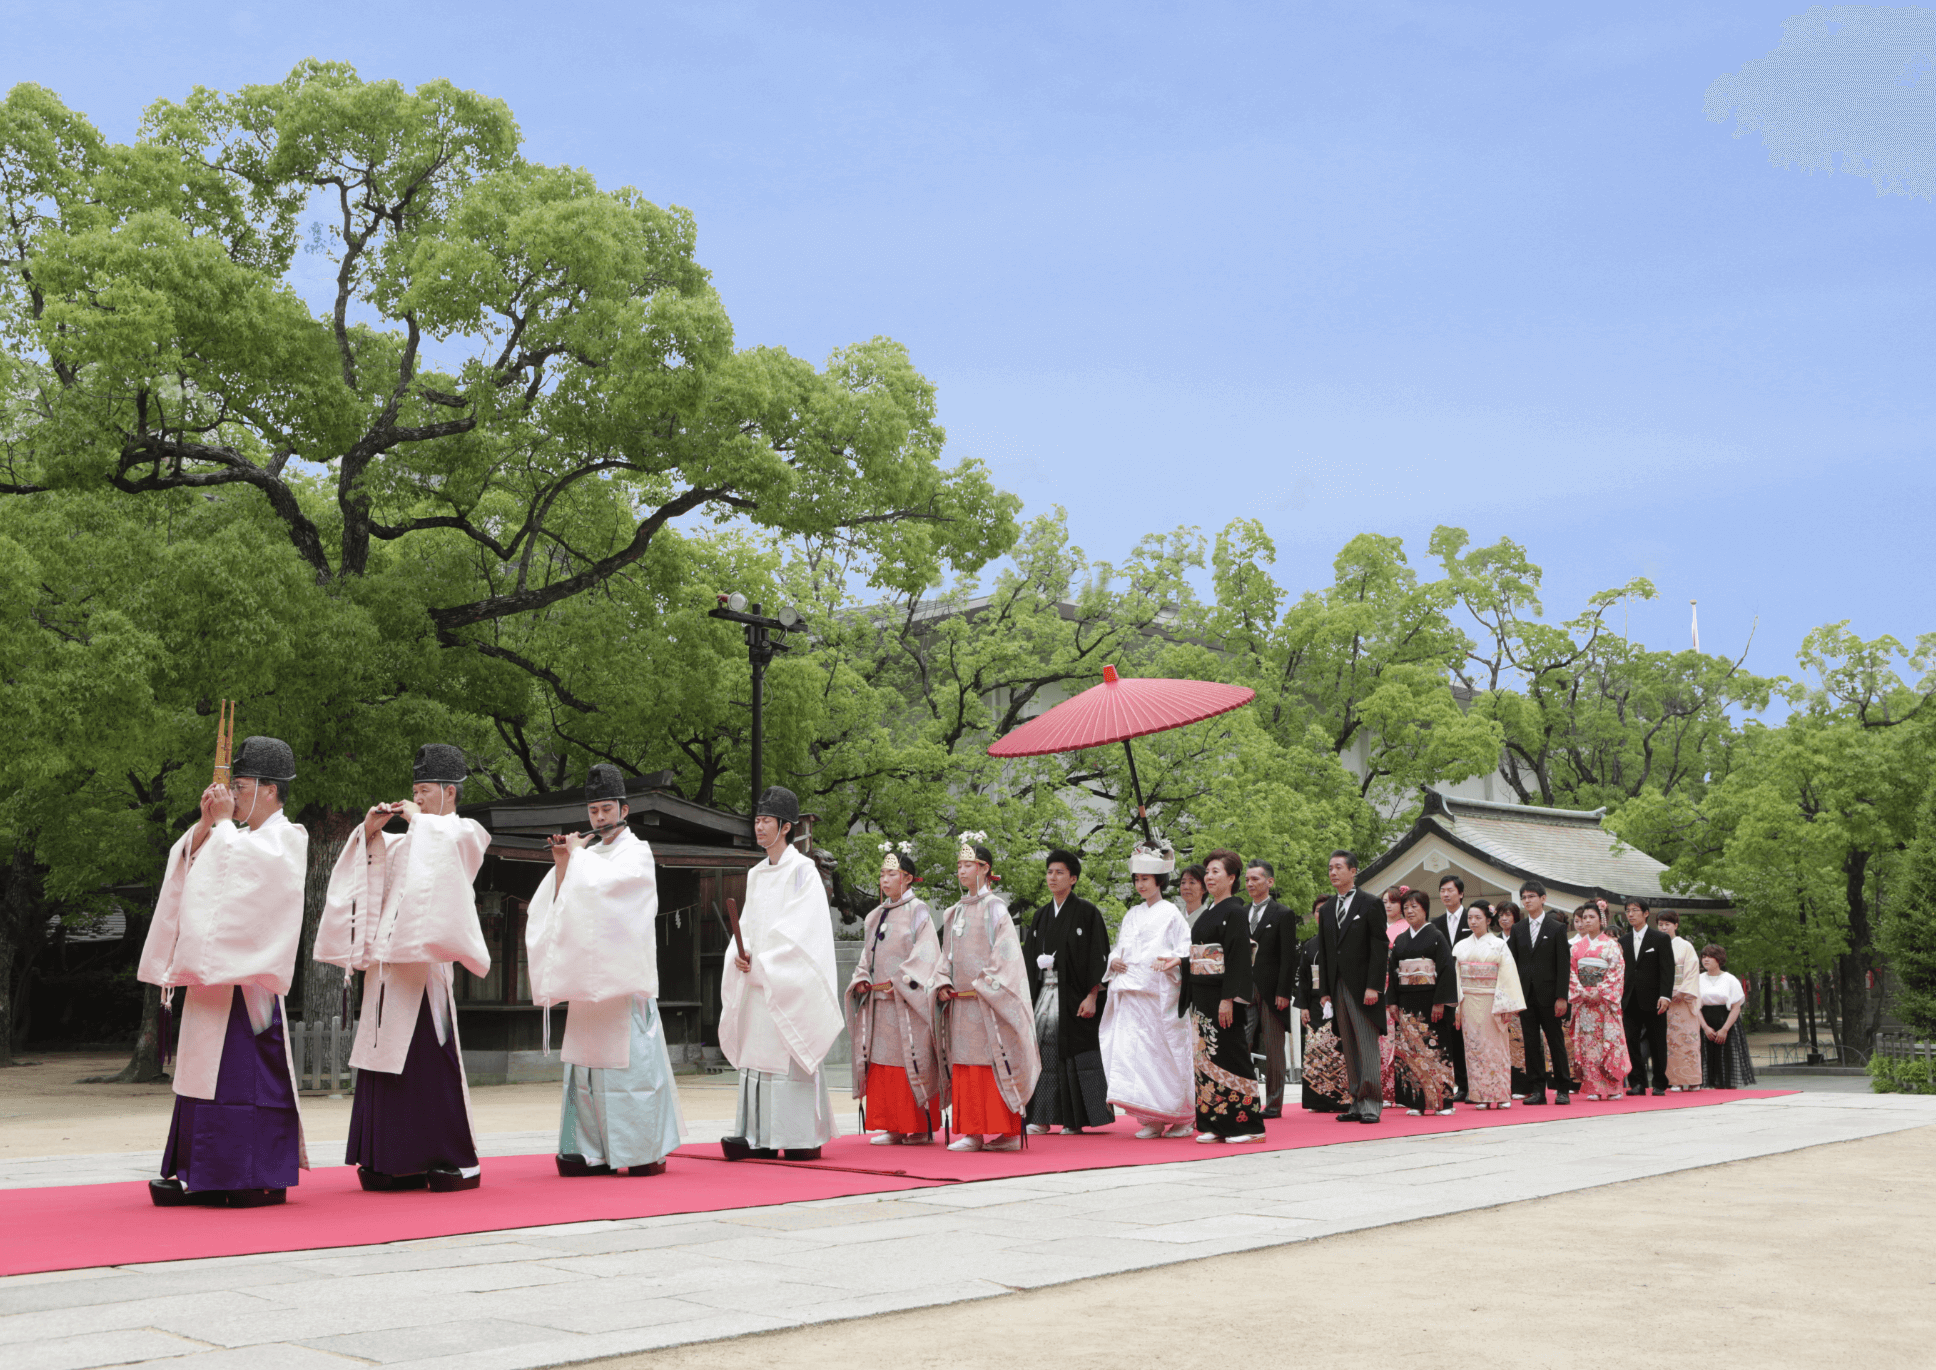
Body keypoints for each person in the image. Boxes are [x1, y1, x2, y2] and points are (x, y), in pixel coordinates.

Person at [140, 736, 308, 1208]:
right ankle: (201, 1171)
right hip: (214, 982)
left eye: (241, 785)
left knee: (241, 1076)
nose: (233, 794)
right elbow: (196, 864)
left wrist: (220, 825)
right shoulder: (239, 836)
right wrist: (204, 824)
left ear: (270, 790)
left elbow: (248, 876)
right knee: (200, 1076)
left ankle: (248, 1174)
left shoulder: (287, 838)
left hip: (247, 985)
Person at [319, 744, 492, 1192]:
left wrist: (419, 821)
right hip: (387, 970)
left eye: (426, 791)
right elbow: (370, 876)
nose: (416, 798)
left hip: (423, 971)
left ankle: (449, 1156)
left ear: (449, 793)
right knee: (383, 1062)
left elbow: (449, 858)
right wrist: (371, 833)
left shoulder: (464, 832)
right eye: (414, 791)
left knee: (426, 1063)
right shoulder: (406, 839)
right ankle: (389, 1159)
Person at [525, 763, 684, 1176]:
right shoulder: (588, 855)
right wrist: (563, 861)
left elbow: (613, 894)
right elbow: (560, 907)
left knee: (630, 1071)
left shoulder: (637, 852)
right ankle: (587, 1149)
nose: (600, 819)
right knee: (585, 1072)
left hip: (623, 981)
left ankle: (641, 1149)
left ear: (624, 810)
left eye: (607, 809)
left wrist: (577, 859)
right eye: (594, 811)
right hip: (588, 982)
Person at [719, 786, 843, 1161]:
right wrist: (739, 956)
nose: (758, 827)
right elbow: (749, 923)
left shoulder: (803, 871)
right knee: (758, 1048)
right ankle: (758, 1135)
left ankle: (799, 1135)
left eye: (766, 821)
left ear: (785, 827)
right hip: (758, 978)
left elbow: (801, 931)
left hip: (785, 980)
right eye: (756, 820)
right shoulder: (756, 873)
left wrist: (765, 962)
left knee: (787, 1046)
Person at [936, 838, 1040, 1152]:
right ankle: (972, 1132)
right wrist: (941, 980)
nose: (961, 871)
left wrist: (986, 984)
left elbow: (1007, 954)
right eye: (958, 866)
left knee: (994, 1062)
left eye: (968, 865)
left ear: (985, 869)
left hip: (987, 1001)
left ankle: (1005, 1131)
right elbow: (946, 954)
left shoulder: (996, 908)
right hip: (961, 1003)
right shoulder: (953, 912)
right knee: (965, 1064)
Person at [848, 844, 944, 1145]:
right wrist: (862, 977)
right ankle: (890, 1124)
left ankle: (917, 1126)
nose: (884, 880)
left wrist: (903, 980)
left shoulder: (919, 911)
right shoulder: (874, 915)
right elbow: (867, 956)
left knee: (909, 1060)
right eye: (882, 874)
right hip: (878, 1003)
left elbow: (928, 953)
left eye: (891, 874)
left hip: (905, 1002)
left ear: (908, 878)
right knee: (880, 1061)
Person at [1099, 843, 1194, 1137]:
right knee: (1136, 1058)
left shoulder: (1172, 915)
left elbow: (1184, 950)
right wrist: (1114, 960)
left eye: (1146, 879)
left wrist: (1172, 963)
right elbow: (1120, 947)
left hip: (1159, 996)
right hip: (1131, 997)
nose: (1140, 885)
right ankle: (1149, 1117)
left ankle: (1182, 1116)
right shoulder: (1131, 915)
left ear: (1159, 882)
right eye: (1137, 879)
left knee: (1164, 1055)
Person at [1023, 849, 1114, 1134]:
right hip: (1044, 994)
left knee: (1075, 1055)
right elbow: (1028, 960)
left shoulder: (1087, 912)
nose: (1053, 877)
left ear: (1073, 878)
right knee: (1042, 1053)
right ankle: (1040, 1116)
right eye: (1050, 871)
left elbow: (1098, 955)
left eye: (1060, 872)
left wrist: (1092, 995)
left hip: (1075, 996)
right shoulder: (1040, 916)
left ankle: (1074, 1119)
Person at [1182, 850, 1265, 1142]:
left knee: (1232, 1054)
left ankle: (1249, 1125)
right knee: (1206, 1057)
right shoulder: (1209, 911)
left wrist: (1229, 997)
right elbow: (1199, 956)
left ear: (1231, 878)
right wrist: (1179, 963)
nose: (1209, 877)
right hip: (1203, 994)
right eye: (1208, 872)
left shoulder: (1235, 911)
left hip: (1222, 994)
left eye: (1216, 871)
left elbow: (1238, 958)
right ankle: (1214, 1123)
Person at [1316, 850, 1388, 1124]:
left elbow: (1380, 948)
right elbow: (1324, 952)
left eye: (1338, 867)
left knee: (1367, 1045)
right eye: (1330, 868)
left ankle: (1371, 1103)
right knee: (1348, 1045)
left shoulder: (1370, 904)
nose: (1333, 872)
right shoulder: (1326, 909)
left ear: (1353, 871)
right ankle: (1356, 1101)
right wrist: (1323, 991)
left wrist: (1374, 986)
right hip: (1337, 987)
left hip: (1363, 987)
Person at [1386, 889, 1458, 1116]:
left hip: (1430, 1001)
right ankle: (1416, 1101)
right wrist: (1393, 1001)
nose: (1409, 911)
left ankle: (1443, 1102)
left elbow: (1446, 970)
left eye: (1414, 907)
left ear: (1425, 909)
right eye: (1406, 907)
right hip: (1407, 1001)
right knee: (1411, 1051)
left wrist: (1440, 1002)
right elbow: (1393, 970)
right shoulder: (1400, 940)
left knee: (1436, 1049)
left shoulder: (1436, 936)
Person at [1453, 903, 1526, 1109]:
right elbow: (1456, 977)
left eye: (1478, 917)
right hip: (1468, 1001)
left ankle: (1501, 1093)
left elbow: (1507, 976)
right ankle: (1480, 1095)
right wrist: (1457, 1005)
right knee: (1474, 1048)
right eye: (1470, 918)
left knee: (1496, 1047)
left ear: (1488, 920)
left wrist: (1504, 1006)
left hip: (1492, 1001)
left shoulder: (1499, 945)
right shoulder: (1460, 946)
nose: (1473, 921)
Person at [1508, 881, 1572, 1106]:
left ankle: (1563, 1088)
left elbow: (1564, 965)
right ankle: (1537, 1090)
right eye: (1524, 897)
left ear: (1543, 899)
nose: (1527, 900)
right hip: (1526, 995)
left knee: (1555, 1041)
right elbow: (1512, 964)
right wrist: (1513, 997)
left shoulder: (1556, 928)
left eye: (1532, 896)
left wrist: (1562, 996)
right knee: (1531, 1043)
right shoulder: (1518, 929)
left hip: (1551, 995)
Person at [1244, 859, 1296, 1118]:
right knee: (1241, 1042)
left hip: (1273, 989)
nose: (1250, 884)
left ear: (1269, 882)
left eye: (1255, 878)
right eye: (1247, 879)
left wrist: (1284, 992)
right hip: (1244, 988)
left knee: (1274, 1047)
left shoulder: (1282, 914)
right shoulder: (1240, 913)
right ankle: (1243, 1099)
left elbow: (1289, 957)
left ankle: (1274, 1104)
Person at [1567, 904, 1632, 1100]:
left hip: (1604, 1003)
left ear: (1601, 920)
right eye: (1584, 917)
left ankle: (1613, 1086)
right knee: (1588, 1044)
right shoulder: (1576, 947)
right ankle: (1593, 1086)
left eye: (1591, 917)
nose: (1587, 920)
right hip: (1585, 1002)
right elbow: (1570, 972)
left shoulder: (1611, 945)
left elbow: (1617, 972)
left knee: (1609, 1042)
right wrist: (1582, 991)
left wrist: (1600, 991)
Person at [1297, 895, 1348, 1114]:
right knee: (1315, 1051)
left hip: (1338, 1001)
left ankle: (1342, 1097)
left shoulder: (1343, 940)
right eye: (1317, 910)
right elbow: (1304, 979)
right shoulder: (1309, 945)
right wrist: (1304, 1006)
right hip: (1316, 1003)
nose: (1321, 914)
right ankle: (1317, 1099)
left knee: (1339, 1050)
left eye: (1325, 910)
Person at [1618, 897, 1673, 1096]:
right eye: (1627, 911)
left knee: (1657, 1042)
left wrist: (1665, 995)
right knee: (1631, 1042)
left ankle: (1659, 1083)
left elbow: (1667, 970)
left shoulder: (1660, 939)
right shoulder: (1622, 941)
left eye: (1634, 910)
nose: (1630, 914)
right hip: (1629, 998)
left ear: (1646, 913)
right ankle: (1638, 1083)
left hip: (1655, 998)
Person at [1429, 875, 1471, 1100]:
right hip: (1445, 987)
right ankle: (1459, 1085)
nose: (1445, 894)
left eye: (1450, 890)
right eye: (1442, 890)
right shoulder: (1435, 924)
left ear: (1461, 893)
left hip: (1470, 986)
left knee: (1470, 1037)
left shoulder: (1472, 919)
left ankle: (1473, 1083)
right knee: (1451, 1036)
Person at [1656, 911, 1704, 1090]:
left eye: (1667, 924)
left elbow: (1692, 972)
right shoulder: (1656, 944)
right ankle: (1673, 1079)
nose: (1663, 927)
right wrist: (1664, 993)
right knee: (1668, 1041)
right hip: (1663, 1000)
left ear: (1676, 925)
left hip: (1683, 1000)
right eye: (1660, 924)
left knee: (1687, 1040)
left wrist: (1680, 991)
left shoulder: (1685, 946)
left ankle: (1692, 1080)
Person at [1698, 946, 1757, 1088]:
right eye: (1703, 956)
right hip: (1704, 1020)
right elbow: (1695, 1006)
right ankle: (1707, 1086)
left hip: (1726, 1019)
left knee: (1726, 1056)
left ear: (1718, 959)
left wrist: (1724, 1029)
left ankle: (1727, 1087)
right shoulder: (1697, 979)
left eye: (1709, 956)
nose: (1705, 959)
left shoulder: (1730, 979)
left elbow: (1736, 1007)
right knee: (1705, 1056)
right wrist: (1705, 1027)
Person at [1494, 902, 1530, 1098]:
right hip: (1497, 995)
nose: (1504, 918)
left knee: (1519, 1040)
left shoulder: (1522, 938)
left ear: (1516, 917)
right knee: (1500, 1040)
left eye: (1508, 914)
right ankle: (1501, 1083)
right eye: (1501, 915)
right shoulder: (1494, 940)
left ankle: (1522, 1085)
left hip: (1517, 993)